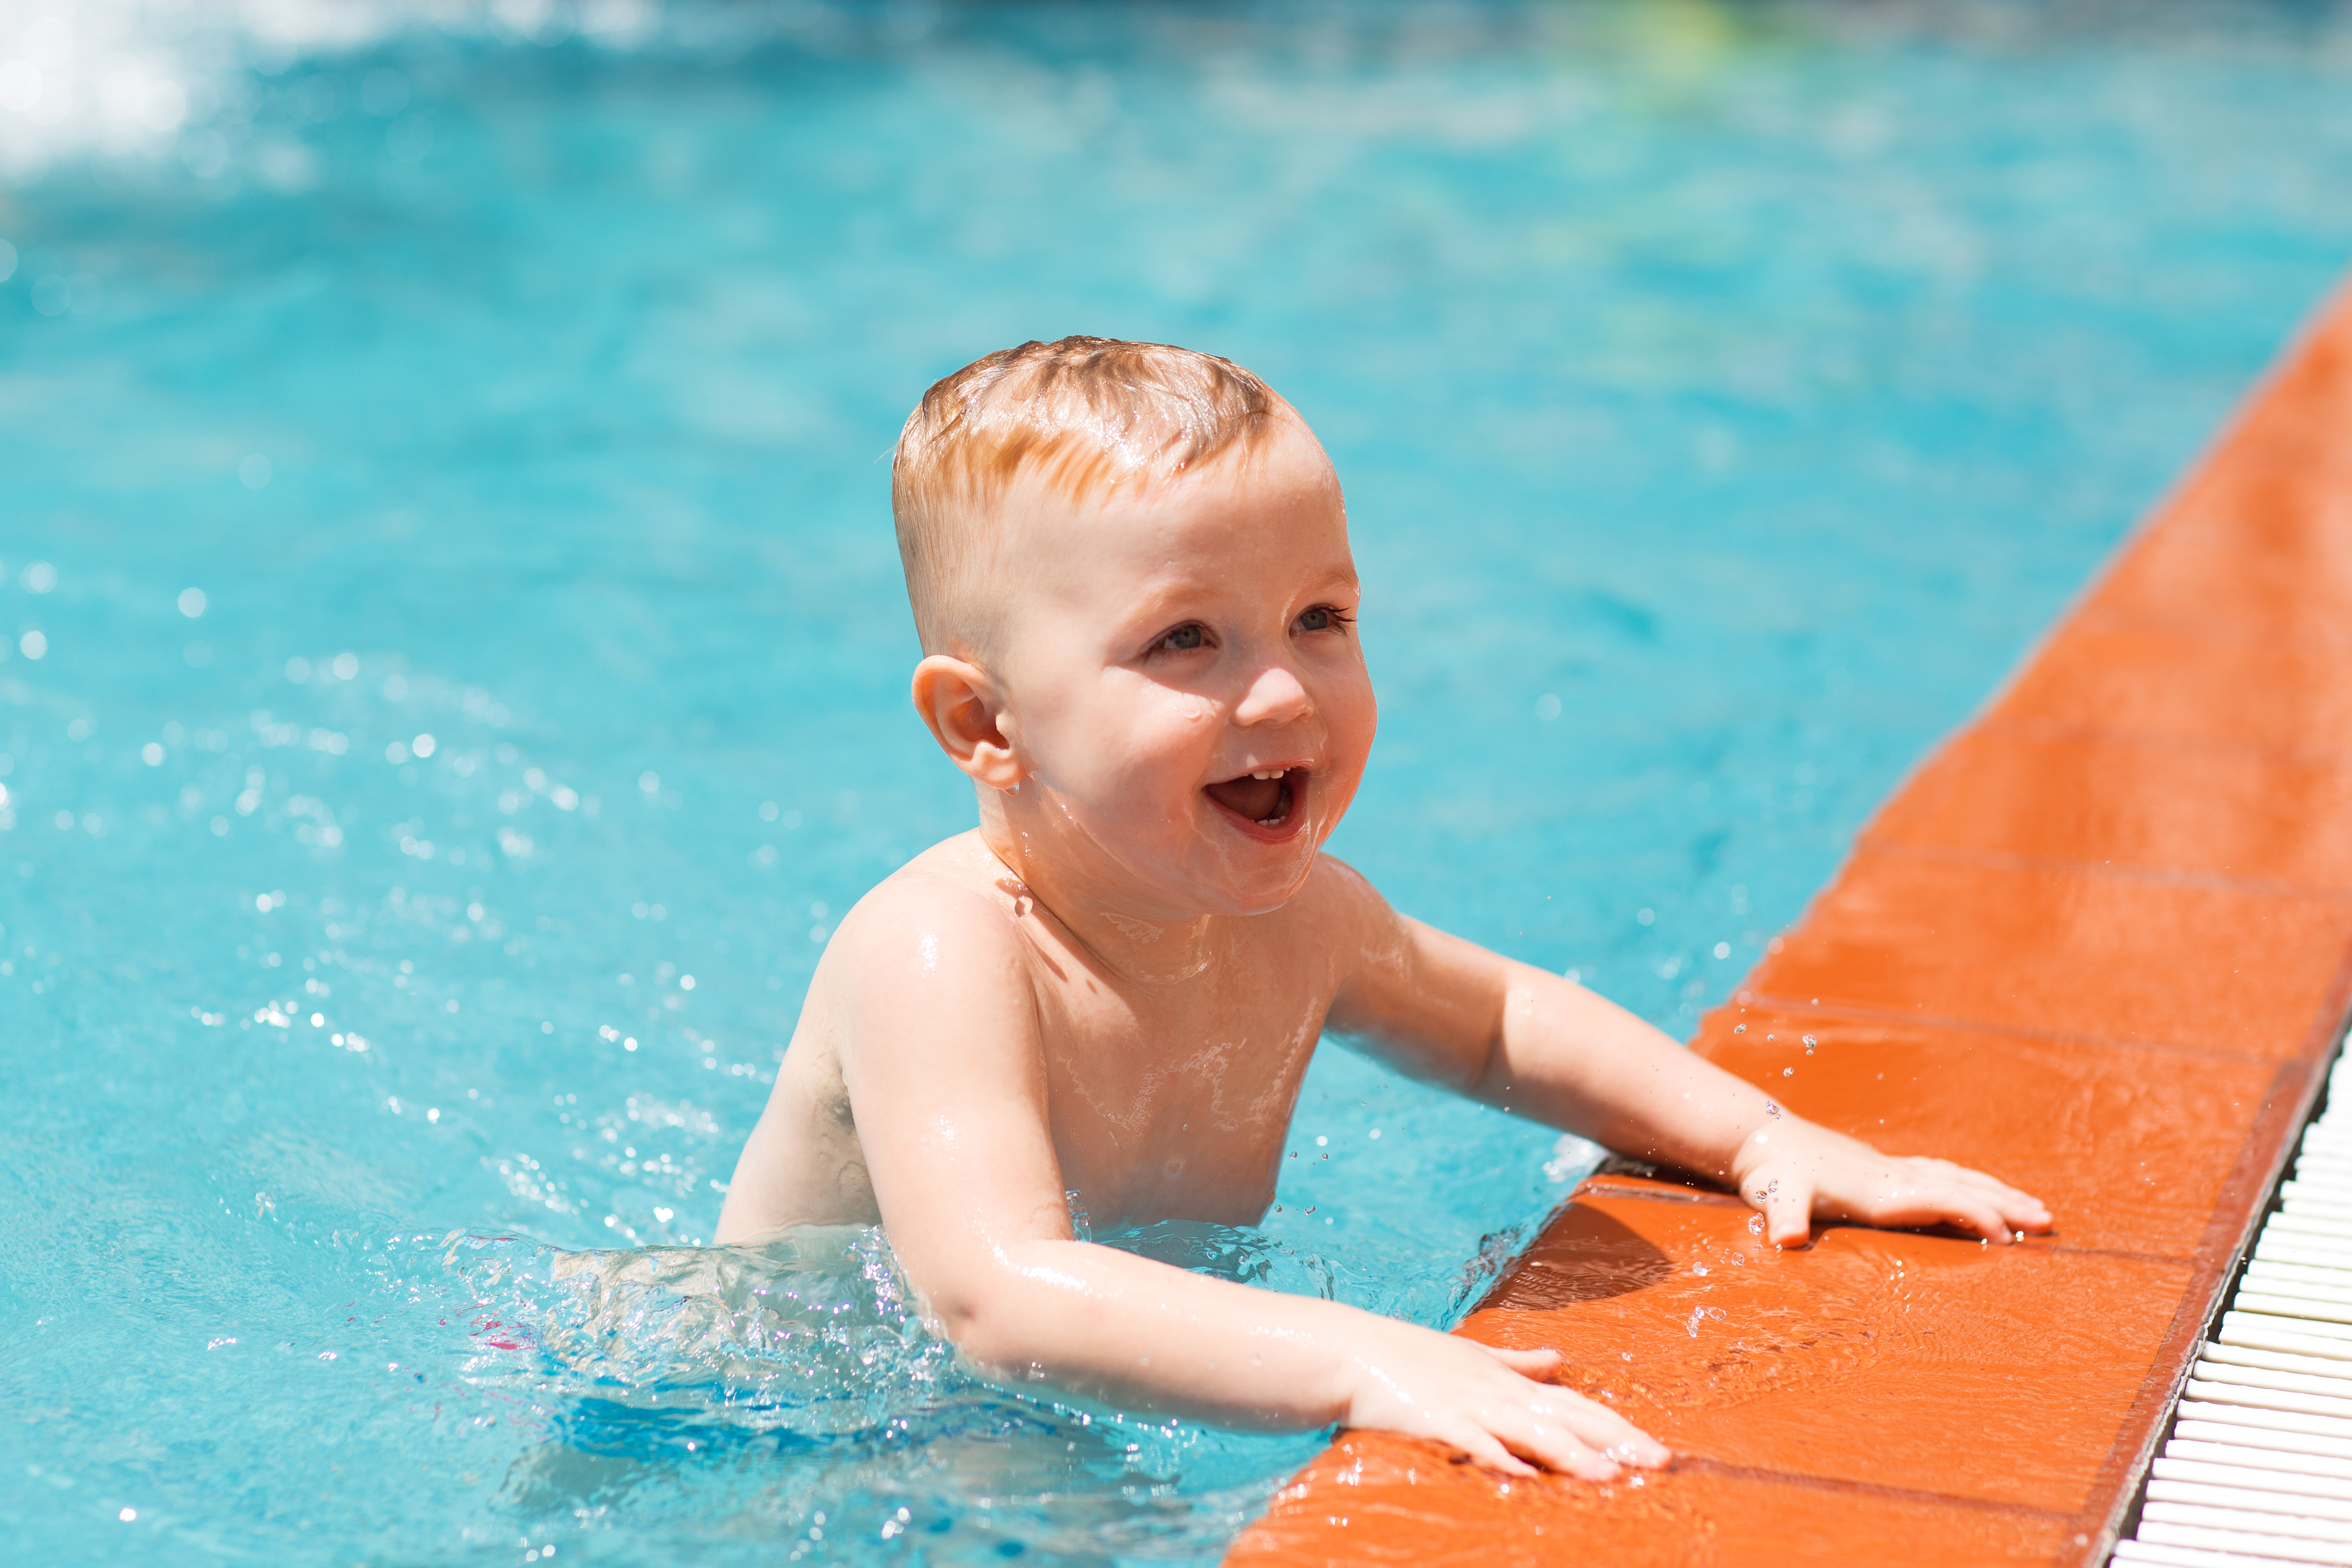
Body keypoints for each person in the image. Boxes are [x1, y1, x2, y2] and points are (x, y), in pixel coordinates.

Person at [714, 336, 2051, 1478]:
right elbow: (992, 1297)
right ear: (984, 722)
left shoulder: (1303, 922)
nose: (1286, 694)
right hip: (788, 1407)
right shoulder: (943, 950)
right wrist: (1352, 1356)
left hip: (1037, 1393)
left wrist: (1764, 1138)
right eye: (1186, 641)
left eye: (1320, 617)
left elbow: (1500, 1023)